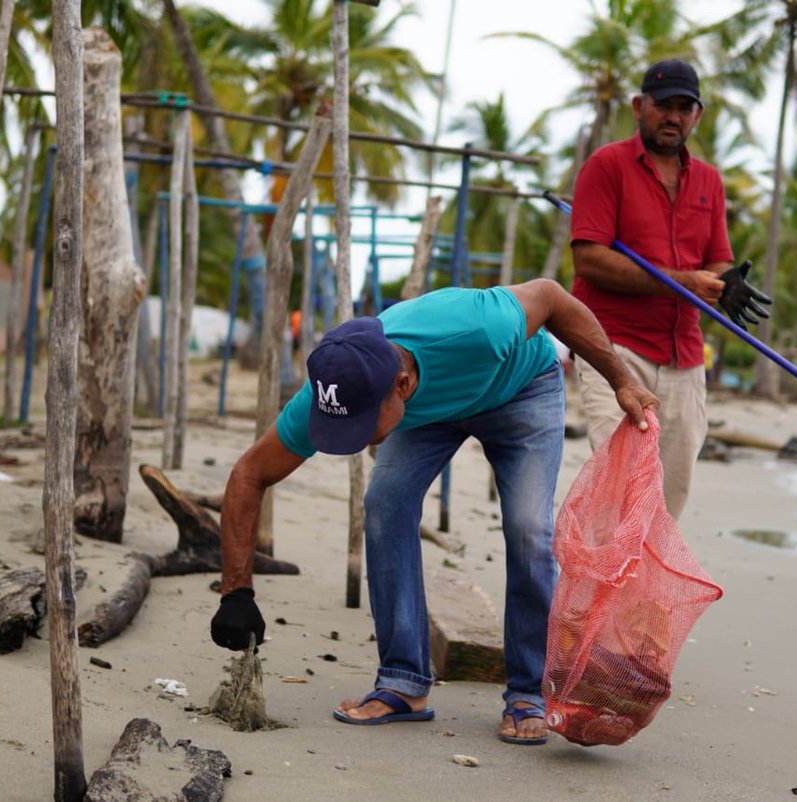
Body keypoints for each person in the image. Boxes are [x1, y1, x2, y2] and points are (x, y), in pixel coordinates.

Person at [210, 279, 658, 745]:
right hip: (426, 414)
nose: (355, 439)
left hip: (521, 388)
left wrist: (621, 380)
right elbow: (248, 475)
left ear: (401, 385)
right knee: (384, 503)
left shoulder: (483, 328)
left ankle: (530, 692)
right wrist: (235, 594)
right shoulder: (342, 382)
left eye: (361, 425)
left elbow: (551, 296)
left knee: (528, 527)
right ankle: (402, 682)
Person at [569, 58, 770, 519]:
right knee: (620, 489)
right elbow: (590, 258)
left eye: (685, 107)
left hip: (685, 358)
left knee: (667, 501)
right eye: (664, 105)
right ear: (640, 106)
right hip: (614, 350)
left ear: (698, 115)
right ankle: (605, 588)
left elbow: (716, 259)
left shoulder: (710, 181)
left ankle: (642, 592)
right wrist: (683, 283)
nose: (674, 116)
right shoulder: (607, 165)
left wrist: (728, 279)